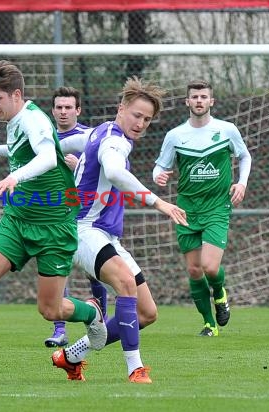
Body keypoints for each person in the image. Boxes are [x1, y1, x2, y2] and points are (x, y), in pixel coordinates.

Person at [0, 60, 107, 374]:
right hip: (18, 220)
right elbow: (22, 148)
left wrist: (15, 178)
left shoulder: (35, 121)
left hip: (54, 226)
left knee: (50, 310)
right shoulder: (18, 118)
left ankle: (91, 312)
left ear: (16, 94)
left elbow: (48, 157)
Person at [50, 77, 188, 384]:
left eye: (147, 119)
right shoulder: (116, 141)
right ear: (121, 108)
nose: (140, 123)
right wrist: (159, 203)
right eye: (136, 115)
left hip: (104, 234)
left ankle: (71, 356)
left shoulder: (99, 130)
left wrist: (11, 153)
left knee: (147, 312)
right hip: (83, 229)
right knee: (125, 283)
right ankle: (135, 369)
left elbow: (63, 145)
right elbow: (113, 170)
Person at [153, 79, 251, 337]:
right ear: (187, 101)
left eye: (203, 97)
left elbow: (244, 156)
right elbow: (160, 166)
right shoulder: (175, 135)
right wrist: (158, 177)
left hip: (217, 207)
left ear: (211, 101)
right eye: (194, 97)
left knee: (209, 267)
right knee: (195, 270)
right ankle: (210, 324)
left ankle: (219, 293)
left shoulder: (227, 130)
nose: (199, 101)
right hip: (186, 210)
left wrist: (241, 183)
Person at [44, 86, 108, 348]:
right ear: (52, 110)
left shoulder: (90, 137)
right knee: (57, 268)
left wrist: (78, 164)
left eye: (68, 107)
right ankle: (59, 329)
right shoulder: (44, 138)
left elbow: (105, 168)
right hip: (53, 211)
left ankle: (100, 318)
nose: (63, 111)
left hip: (84, 214)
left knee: (95, 272)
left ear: (78, 110)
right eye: (59, 107)